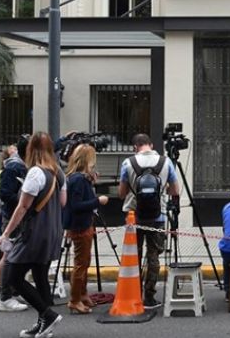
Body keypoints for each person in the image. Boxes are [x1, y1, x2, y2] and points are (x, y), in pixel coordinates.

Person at [0, 132, 66, 338]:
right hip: (53, 230)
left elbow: (23, 207)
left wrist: (6, 233)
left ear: (30, 150)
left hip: (34, 232)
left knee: (14, 277)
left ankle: (48, 315)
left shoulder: (35, 173)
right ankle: (44, 322)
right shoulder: (58, 172)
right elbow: (63, 202)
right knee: (40, 275)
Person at [118, 133, 180, 309]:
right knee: (153, 255)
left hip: (133, 216)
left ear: (135, 147)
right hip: (157, 216)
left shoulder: (128, 163)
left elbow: (121, 194)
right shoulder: (166, 162)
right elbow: (175, 191)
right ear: (151, 145)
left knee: (134, 255)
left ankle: (134, 293)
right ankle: (150, 297)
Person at [63, 144, 109, 314]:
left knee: (84, 261)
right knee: (81, 264)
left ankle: (82, 294)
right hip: (80, 225)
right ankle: (75, 299)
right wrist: (98, 201)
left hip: (81, 224)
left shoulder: (77, 178)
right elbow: (76, 205)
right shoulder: (78, 180)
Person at [0, 142, 28, 311]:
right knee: (9, 256)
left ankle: (12, 290)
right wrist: (25, 200)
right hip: (12, 217)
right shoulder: (13, 168)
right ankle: (4, 295)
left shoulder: (21, 166)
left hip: (18, 217)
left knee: (15, 256)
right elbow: (5, 194)